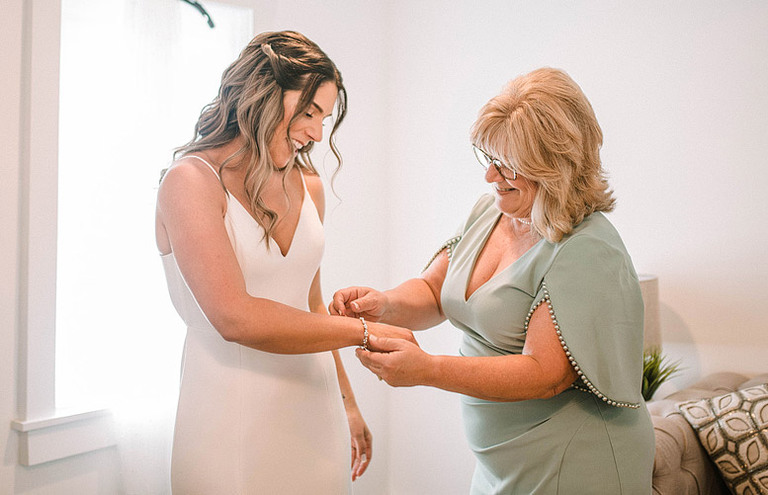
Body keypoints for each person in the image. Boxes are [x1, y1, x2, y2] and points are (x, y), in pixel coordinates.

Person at [331, 68, 655, 494]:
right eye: (489, 158)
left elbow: (546, 374)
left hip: (574, 458)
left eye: (506, 165)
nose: (490, 176)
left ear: (554, 166)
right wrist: (384, 303)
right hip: (504, 461)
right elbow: (434, 291)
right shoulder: (492, 211)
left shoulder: (587, 247)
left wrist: (428, 369)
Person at [155, 30, 414, 494]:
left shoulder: (308, 185)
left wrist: (348, 404)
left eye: (324, 117)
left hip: (315, 413)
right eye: (309, 111)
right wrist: (366, 332)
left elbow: (310, 305)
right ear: (261, 93)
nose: (316, 133)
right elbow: (235, 316)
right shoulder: (190, 182)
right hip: (229, 417)